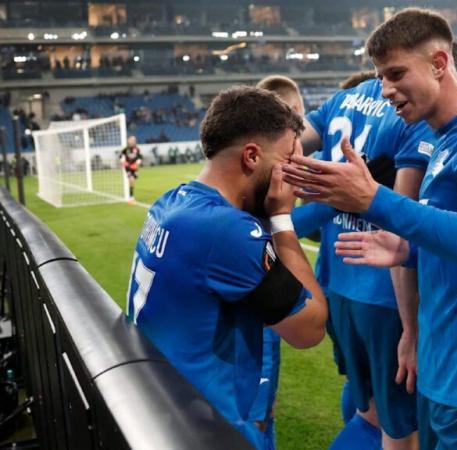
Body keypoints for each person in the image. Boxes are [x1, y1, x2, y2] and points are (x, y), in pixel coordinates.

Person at [283, 8, 457, 449]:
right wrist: (409, 251)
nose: (385, 90)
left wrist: (376, 201)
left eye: (396, 73)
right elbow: (454, 237)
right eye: (381, 76)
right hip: (446, 368)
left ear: (440, 64)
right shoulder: (445, 139)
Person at [125, 86, 328, 450]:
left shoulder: (170, 202)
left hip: (165, 408)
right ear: (252, 156)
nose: (292, 174)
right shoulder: (224, 231)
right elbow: (309, 328)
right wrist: (281, 217)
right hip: (209, 428)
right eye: (287, 159)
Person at [292, 67, 436, 449]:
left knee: (368, 410)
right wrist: (412, 327)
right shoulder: (413, 113)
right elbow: (401, 227)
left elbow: (289, 143)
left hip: (339, 287)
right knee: (401, 430)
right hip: (384, 293)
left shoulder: (343, 99)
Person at [249, 74, 308, 450]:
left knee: (262, 415)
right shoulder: (250, 219)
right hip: (261, 321)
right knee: (254, 418)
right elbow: (310, 327)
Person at [120, 135, 142, 202]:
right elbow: (121, 157)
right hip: (128, 167)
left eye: (134, 140)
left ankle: (130, 193)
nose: (133, 141)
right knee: (131, 179)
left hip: (134, 167)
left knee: (133, 180)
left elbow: (140, 157)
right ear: (128, 140)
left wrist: (137, 163)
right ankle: (131, 196)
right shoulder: (125, 149)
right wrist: (124, 162)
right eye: (132, 139)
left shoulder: (137, 149)